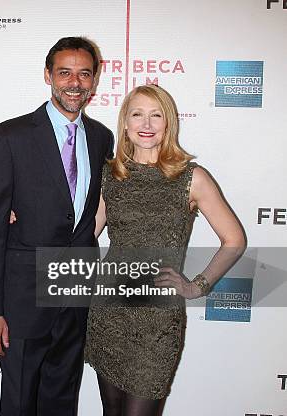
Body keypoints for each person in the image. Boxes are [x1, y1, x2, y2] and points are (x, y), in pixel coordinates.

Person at [0, 36, 114, 415]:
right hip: (21, 300)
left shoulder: (101, 138)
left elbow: (87, 214)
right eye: (65, 72)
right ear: (48, 75)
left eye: (84, 74)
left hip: (76, 293)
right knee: (18, 403)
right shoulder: (12, 135)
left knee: (62, 399)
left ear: (95, 80)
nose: (75, 83)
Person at [85, 84, 246, 415]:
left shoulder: (192, 177)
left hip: (158, 322)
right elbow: (86, 234)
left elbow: (234, 240)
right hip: (109, 312)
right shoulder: (109, 175)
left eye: (156, 115)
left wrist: (196, 285)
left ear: (169, 123)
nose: (147, 124)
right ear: (125, 124)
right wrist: (26, 218)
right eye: (138, 115)